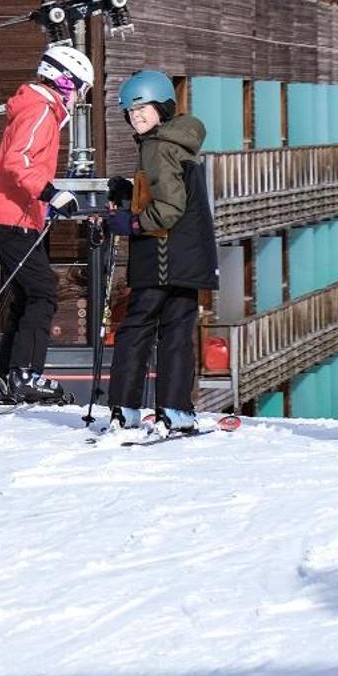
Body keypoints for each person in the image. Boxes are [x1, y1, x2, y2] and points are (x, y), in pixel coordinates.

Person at [0, 42, 96, 403]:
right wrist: (50, 193)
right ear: (64, 82)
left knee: (28, 294)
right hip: (12, 218)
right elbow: (18, 162)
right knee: (43, 290)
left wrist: (46, 202)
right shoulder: (41, 112)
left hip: (20, 216)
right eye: (80, 88)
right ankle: (25, 374)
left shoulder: (40, 110)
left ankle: (7, 375)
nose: (79, 98)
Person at [104, 70, 218, 436]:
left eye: (144, 109)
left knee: (136, 328)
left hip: (162, 256)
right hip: (188, 257)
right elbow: (169, 191)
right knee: (177, 333)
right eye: (131, 112)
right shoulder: (177, 144)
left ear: (163, 109)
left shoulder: (157, 147)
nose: (136, 117)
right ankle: (176, 411)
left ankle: (126, 409)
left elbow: (169, 208)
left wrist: (131, 224)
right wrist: (131, 190)